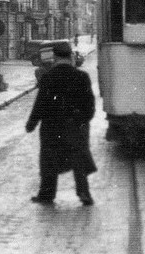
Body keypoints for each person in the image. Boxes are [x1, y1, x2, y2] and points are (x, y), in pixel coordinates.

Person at [26, 41, 96, 205]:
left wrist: (32, 122)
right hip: (76, 128)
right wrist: (83, 120)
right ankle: (84, 193)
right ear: (70, 56)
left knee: (49, 161)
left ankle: (47, 194)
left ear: (55, 57)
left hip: (52, 128)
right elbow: (90, 105)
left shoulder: (48, 77)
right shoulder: (82, 77)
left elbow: (40, 104)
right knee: (78, 161)